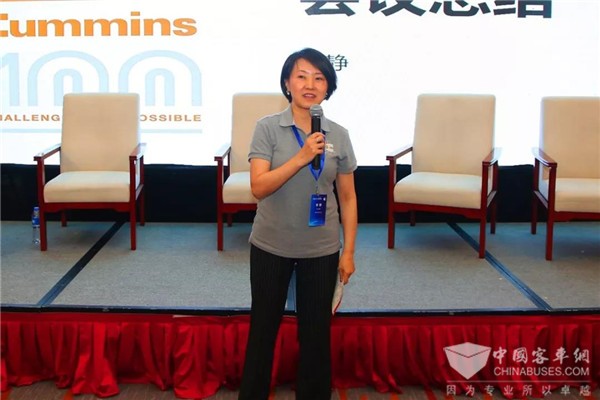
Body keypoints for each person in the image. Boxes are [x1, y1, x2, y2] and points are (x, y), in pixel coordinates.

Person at [238, 47, 358, 400]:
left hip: (321, 248)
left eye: (319, 78)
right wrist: (302, 157)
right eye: (302, 76)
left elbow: (348, 198)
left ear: (328, 87)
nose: (310, 85)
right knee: (263, 331)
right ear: (287, 83)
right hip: (270, 245)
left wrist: (348, 252)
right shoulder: (267, 128)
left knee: (316, 336)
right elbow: (259, 187)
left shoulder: (339, 134)